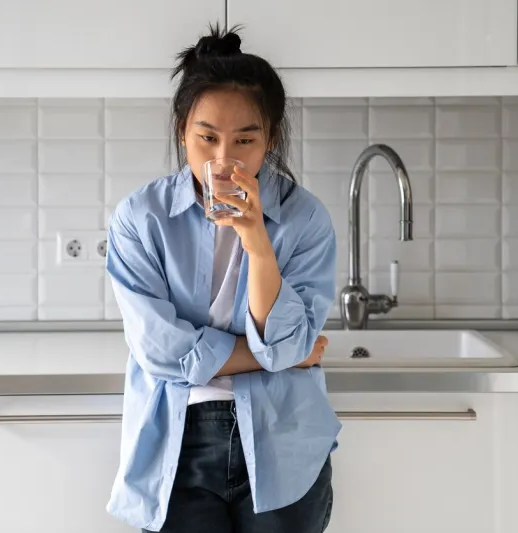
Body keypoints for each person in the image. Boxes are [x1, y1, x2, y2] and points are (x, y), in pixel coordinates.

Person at [105, 23, 342, 533]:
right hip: (175, 441)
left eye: (245, 139)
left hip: (284, 442)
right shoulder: (141, 218)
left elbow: (284, 344)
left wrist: (257, 239)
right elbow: (160, 349)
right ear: (181, 132)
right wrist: (276, 355)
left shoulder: (305, 220)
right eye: (206, 137)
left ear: (270, 140)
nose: (223, 159)